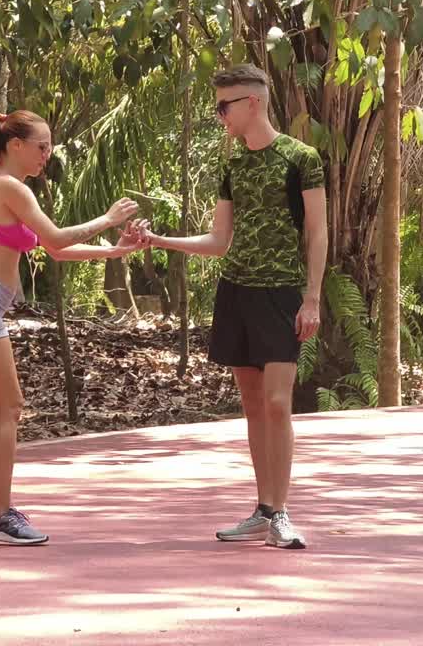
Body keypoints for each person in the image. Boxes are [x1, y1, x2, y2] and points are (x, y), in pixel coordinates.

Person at [0, 109, 145, 545]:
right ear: (15, 145)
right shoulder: (7, 186)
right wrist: (108, 219)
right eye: (41, 146)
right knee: (9, 406)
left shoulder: (8, 189)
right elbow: (55, 237)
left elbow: (57, 252)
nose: (47, 155)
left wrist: (113, 252)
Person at [141, 64, 327, 549]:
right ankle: (264, 509)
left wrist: (312, 297)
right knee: (251, 404)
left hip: (282, 291)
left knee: (278, 403)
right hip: (236, 290)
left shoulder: (300, 158)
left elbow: (317, 231)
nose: (219, 116)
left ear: (253, 102)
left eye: (224, 106)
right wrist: (160, 239)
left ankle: (282, 513)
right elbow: (220, 241)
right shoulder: (234, 165)